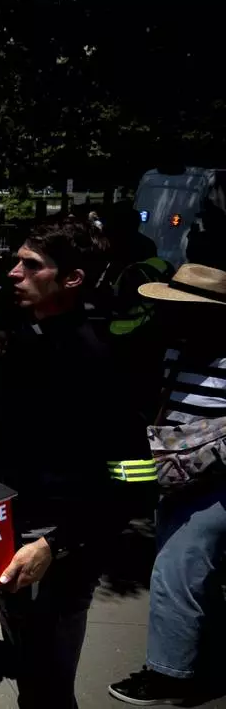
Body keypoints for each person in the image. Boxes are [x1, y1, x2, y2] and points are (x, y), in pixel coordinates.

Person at [0, 219, 154, 709]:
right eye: (17, 261)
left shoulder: (100, 358)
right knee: (29, 676)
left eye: (31, 265)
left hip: (61, 542)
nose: (13, 273)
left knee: (51, 687)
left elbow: (135, 481)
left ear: (73, 278)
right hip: (11, 526)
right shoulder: (26, 339)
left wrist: (54, 544)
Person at [108, 264, 225, 706]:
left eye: (181, 309)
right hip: (177, 481)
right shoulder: (177, 350)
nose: (169, 315)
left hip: (214, 486)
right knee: (195, 575)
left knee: (175, 572)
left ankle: (168, 674)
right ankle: (204, 659)